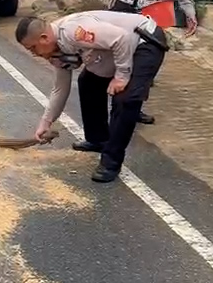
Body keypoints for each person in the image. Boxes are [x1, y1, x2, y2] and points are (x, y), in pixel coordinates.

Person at [15, 11, 168, 183]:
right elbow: (60, 88)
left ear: (44, 38)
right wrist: (46, 122)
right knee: (88, 83)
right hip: (120, 48)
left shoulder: (74, 32)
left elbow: (121, 38)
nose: (34, 54)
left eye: (33, 48)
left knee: (126, 99)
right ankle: (98, 139)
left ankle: (111, 162)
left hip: (144, 41)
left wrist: (122, 76)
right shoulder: (56, 47)